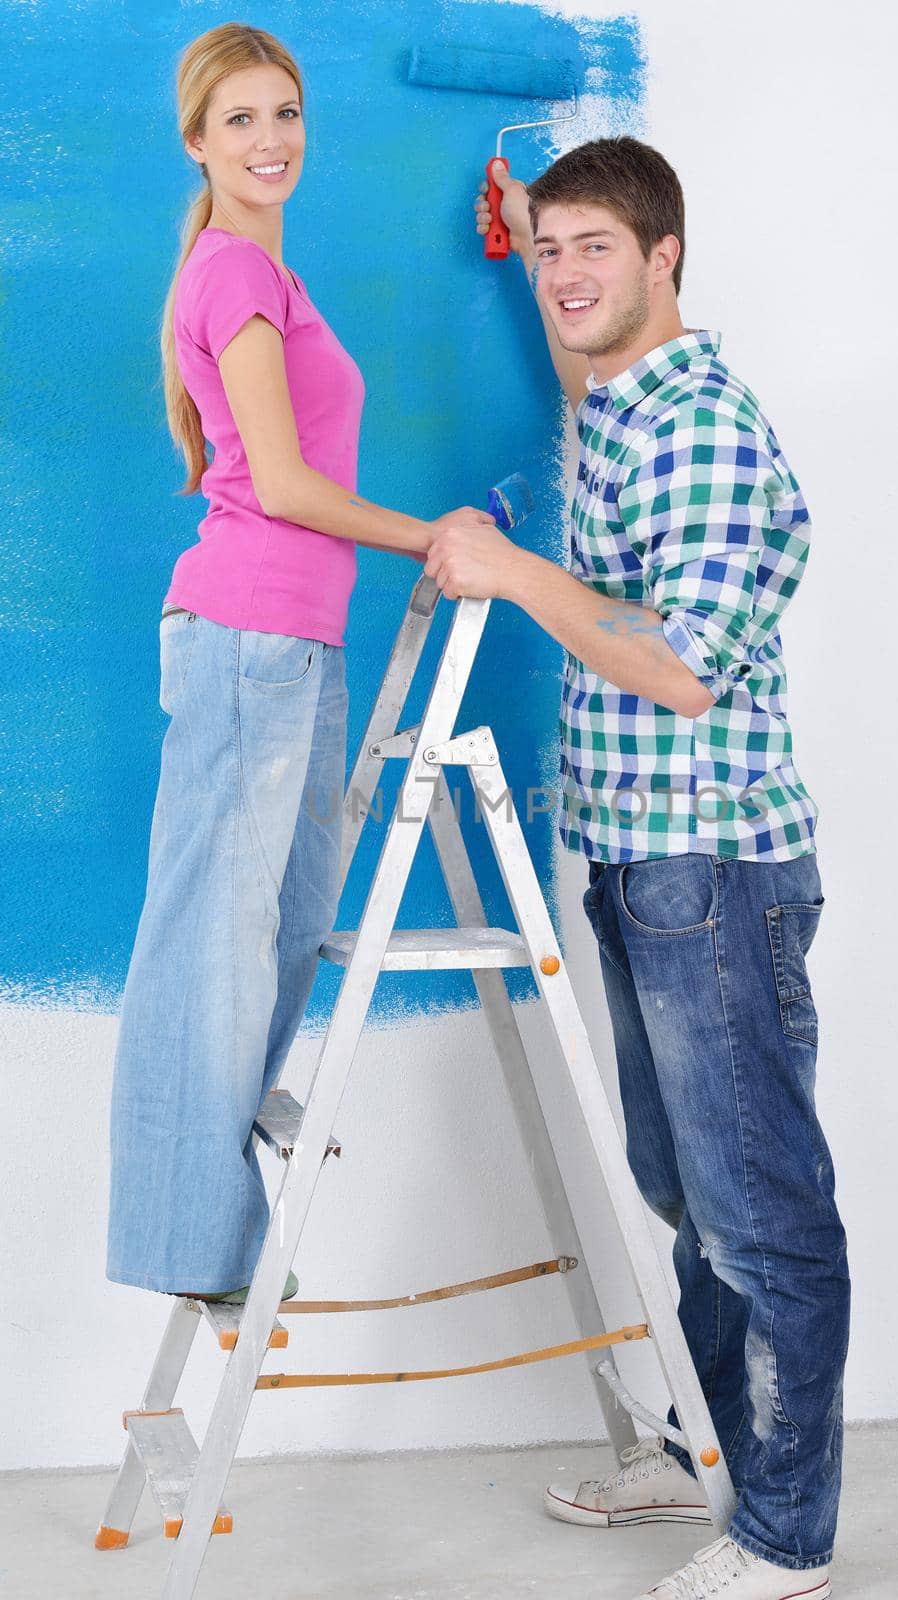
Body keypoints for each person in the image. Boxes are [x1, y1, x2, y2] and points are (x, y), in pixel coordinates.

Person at [429, 136, 849, 1600]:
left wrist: (510, 568)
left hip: (717, 867)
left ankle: (787, 1533)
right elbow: (583, 378)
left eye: (592, 249)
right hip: (634, 858)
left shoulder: (710, 433)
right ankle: (701, 1455)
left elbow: (676, 670)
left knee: (759, 1207)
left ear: (667, 256)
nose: (562, 279)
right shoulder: (623, 400)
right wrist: (522, 232)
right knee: (688, 1192)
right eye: (549, 253)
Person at [105, 22, 495, 1307]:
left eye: (285, 115)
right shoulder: (234, 277)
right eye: (239, 122)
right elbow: (278, 484)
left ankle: (206, 1218)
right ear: (197, 144)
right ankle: (191, 1245)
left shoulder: (261, 273)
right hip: (245, 639)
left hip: (291, 644)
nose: (270, 140)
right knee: (210, 942)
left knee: (275, 929)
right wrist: (431, 536)